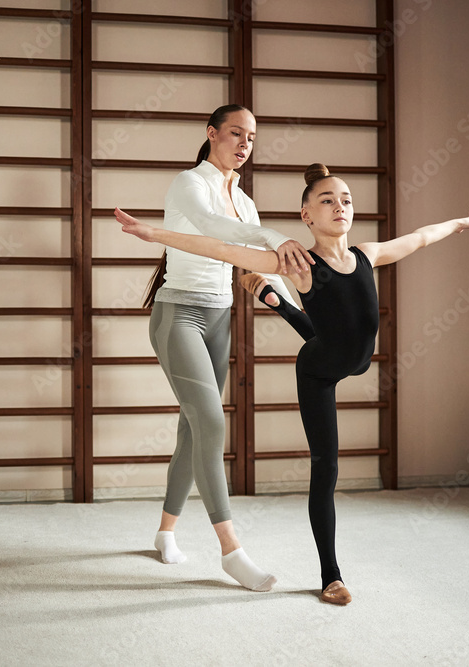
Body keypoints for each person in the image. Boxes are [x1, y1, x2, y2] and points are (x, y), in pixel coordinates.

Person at [117, 162, 469, 604]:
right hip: (318, 370)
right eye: (327, 200)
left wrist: (459, 223)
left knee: (328, 334)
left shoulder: (368, 254)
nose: (339, 206)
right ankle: (332, 576)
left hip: (350, 355)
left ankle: (275, 302)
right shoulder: (297, 262)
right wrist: (155, 234)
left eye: (346, 199)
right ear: (306, 216)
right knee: (325, 468)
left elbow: (421, 236)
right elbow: (219, 248)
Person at [143, 104, 314, 592]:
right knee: (212, 422)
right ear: (211, 134)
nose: (244, 143)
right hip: (179, 315)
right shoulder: (189, 184)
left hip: (220, 319)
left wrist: (306, 313)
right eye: (235, 133)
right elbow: (213, 229)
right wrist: (275, 236)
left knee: (193, 432)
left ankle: (164, 533)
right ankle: (232, 552)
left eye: (252, 137)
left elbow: (255, 268)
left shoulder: (245, 200)